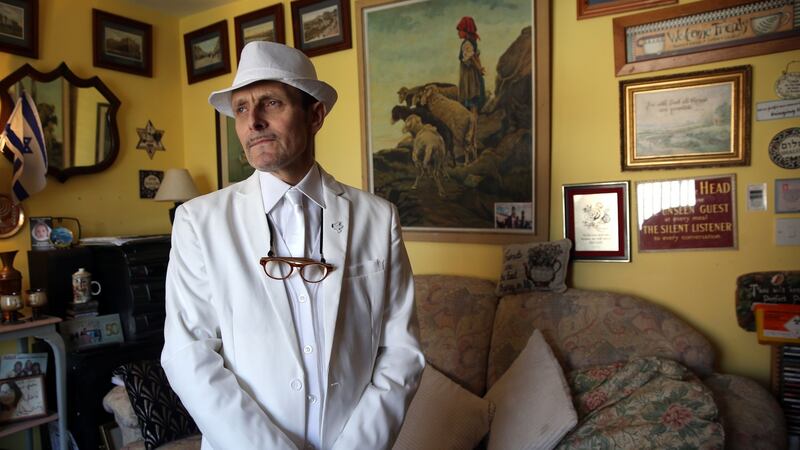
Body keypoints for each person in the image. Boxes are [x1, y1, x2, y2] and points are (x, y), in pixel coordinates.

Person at [161, 41, 424, 450]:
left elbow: (401, 352)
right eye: (242, 108)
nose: (254, 122)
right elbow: (188, 354)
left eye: (271, 102)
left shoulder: (378, 218)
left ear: (314, 115)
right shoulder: (199, 222)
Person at [456, 16, 486, 152]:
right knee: (472, 108)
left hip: (469, 78)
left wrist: (479, 68)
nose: (458, 33)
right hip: (473, 76)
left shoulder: (467, 43)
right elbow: (476, 58)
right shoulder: (472, 42)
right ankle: (472, 138)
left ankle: (471, 138)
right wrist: (480, 68)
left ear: (465, 31)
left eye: (460, 30)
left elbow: (472, 58)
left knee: (471, 107)